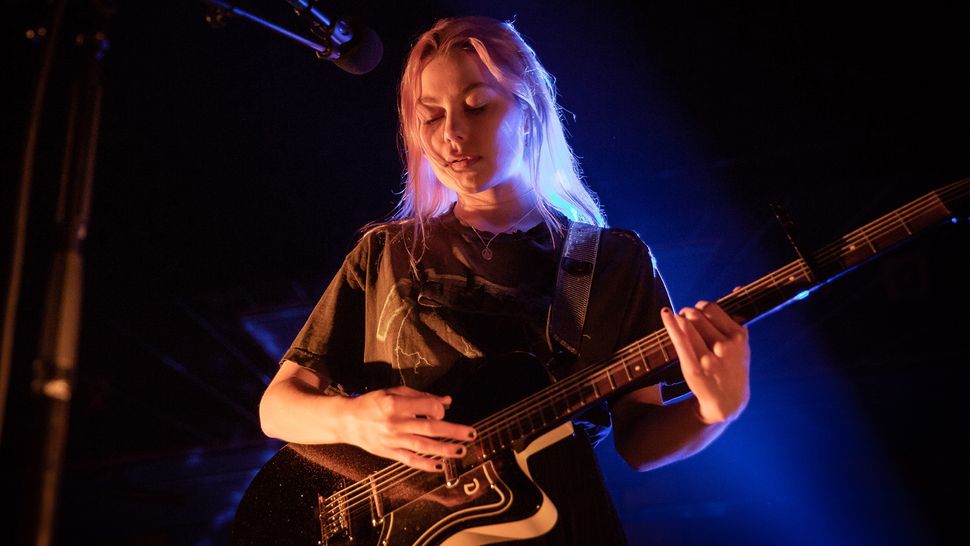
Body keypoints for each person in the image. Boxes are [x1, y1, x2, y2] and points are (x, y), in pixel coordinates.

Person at [258, 16, 750, 545]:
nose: (451, 134)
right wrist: (355, 421)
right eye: (431, 117)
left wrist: (713, 411)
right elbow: (278, 408)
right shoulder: (384, 253)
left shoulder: (612, 260)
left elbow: (640, 438)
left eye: (476, 106)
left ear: (530, 111)